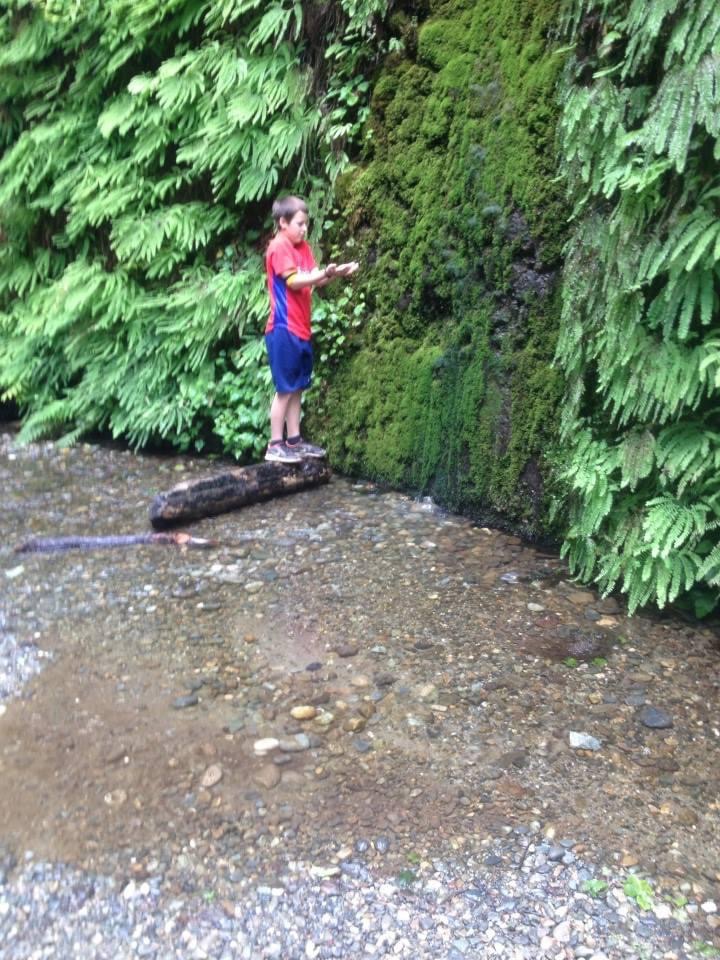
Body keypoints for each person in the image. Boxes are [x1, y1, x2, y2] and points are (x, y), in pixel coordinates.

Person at [263, 194, 359, 464]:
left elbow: (314, 278)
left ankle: (294, 441)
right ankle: (275, 444)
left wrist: (335, 273)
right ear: (283, 223)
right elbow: (294, 281)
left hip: (301, 328)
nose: (304, 229)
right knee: (285, 389)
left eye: (306, 224)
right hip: (283, 328)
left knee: (297, 387)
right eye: (300, 224)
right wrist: (323, 273)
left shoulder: (302, 247)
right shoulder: (279, 247)